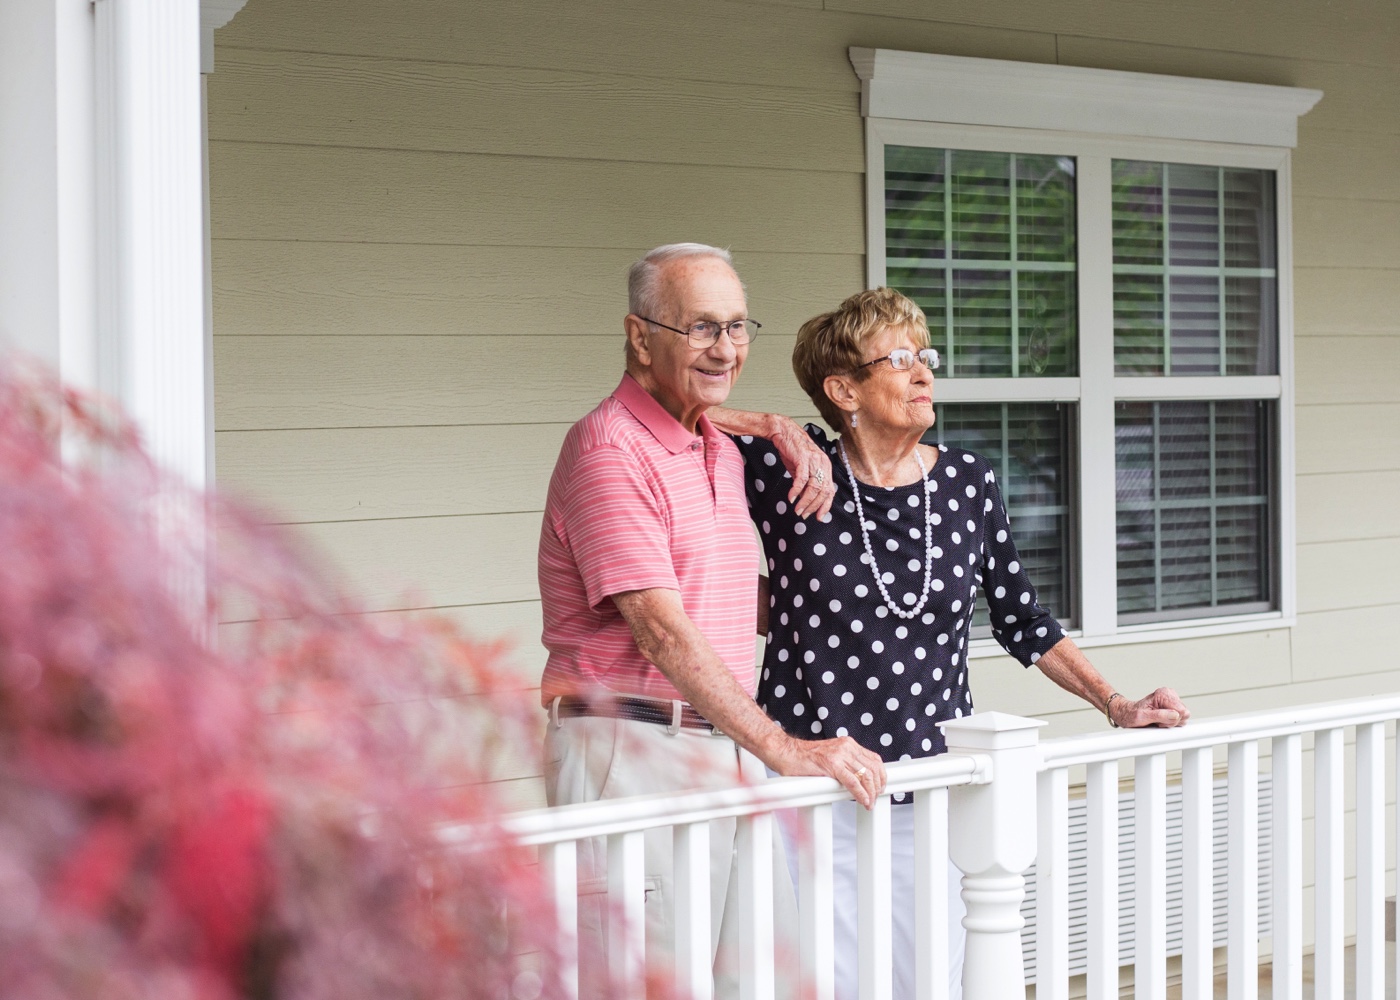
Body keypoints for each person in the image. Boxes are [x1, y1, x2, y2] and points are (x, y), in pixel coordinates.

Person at [726, 286, 1191, 1000]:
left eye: (926, 356)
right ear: (843, 389)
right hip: (812, 787)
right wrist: (771, 426)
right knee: (829, 984)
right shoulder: (792, 472)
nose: (924, 375)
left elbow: (1021, 619)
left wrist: (1115, 703)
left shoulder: (968, 482)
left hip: (930, 784)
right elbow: (673, 422)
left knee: (931, 984)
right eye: (900, 359)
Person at [537, 243, 887, 998]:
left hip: (719, 744)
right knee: (648, 983)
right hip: (631, 749)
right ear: (640, 337)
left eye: (736, 327)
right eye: (700, 328)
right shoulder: (606, 452)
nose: (725, 348)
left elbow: (719, 590)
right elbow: (661, 631)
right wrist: (783, 746)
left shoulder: (716, 446)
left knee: (759, 983)